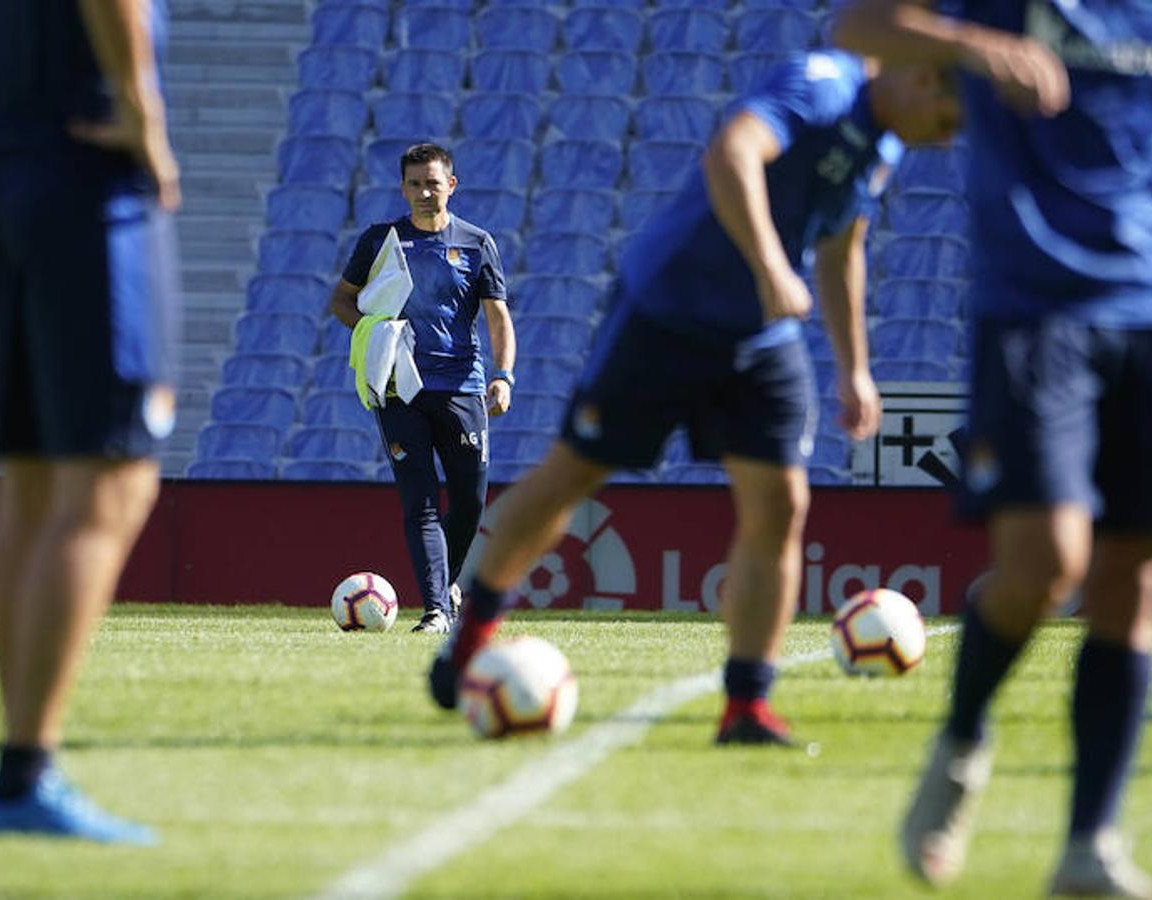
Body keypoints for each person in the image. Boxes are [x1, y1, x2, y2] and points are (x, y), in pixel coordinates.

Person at [427, 50, 962, 745]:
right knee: (573, 477)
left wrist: (855, 368)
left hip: (762, 337)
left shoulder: (886, 144)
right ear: (921, 75)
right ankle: (472, 632)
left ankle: (747, 707)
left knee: (782, 503)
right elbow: (732, 154)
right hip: (667, 311)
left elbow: (842, 245)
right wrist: (771, 265)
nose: (947, 137)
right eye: (948, 118)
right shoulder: (824, 86)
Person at [833, 2, 1152, 895]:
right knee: (1047, 562)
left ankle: (1089, 847)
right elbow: (858, 25)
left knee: (1133, 577)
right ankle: (961, 745)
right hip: (1036, 305)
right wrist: (980, 47)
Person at [0, 0, 182, 844]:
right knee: (108, 484)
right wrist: (143, 113)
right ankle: (26, 772)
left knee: (29, 486)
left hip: (11, 177)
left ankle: (17, 771)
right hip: (91, 192)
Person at [330, 142, 517, 634]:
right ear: (403, 188)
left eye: (432, 183)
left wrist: (503, 376)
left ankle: (447, 585)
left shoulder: (477, 243)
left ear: (450, 185)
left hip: (461, 386)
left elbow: (498, 317)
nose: (423, 193)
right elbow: (342, 301)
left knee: (471, 500)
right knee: (420, 501)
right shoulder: (380, 241)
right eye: (414, 184)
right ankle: (437, 608)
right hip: (400, 389)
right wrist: (373, 332)